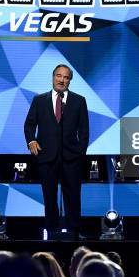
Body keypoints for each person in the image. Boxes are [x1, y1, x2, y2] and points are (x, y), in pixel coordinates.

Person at [24, 64, 89, 239]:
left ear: (70, 80)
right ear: (53, 77)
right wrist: (31, 140)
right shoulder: (39, 100)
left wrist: (79, 152)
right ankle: (52, 232)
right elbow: (29, 124)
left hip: (71, 158)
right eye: (58, 76)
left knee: (73, 197)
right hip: (46, 156)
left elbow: (84, 131)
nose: (61, 80)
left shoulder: (79, 101)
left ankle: (74, 232)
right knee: (49, 197)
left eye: (66, 77)